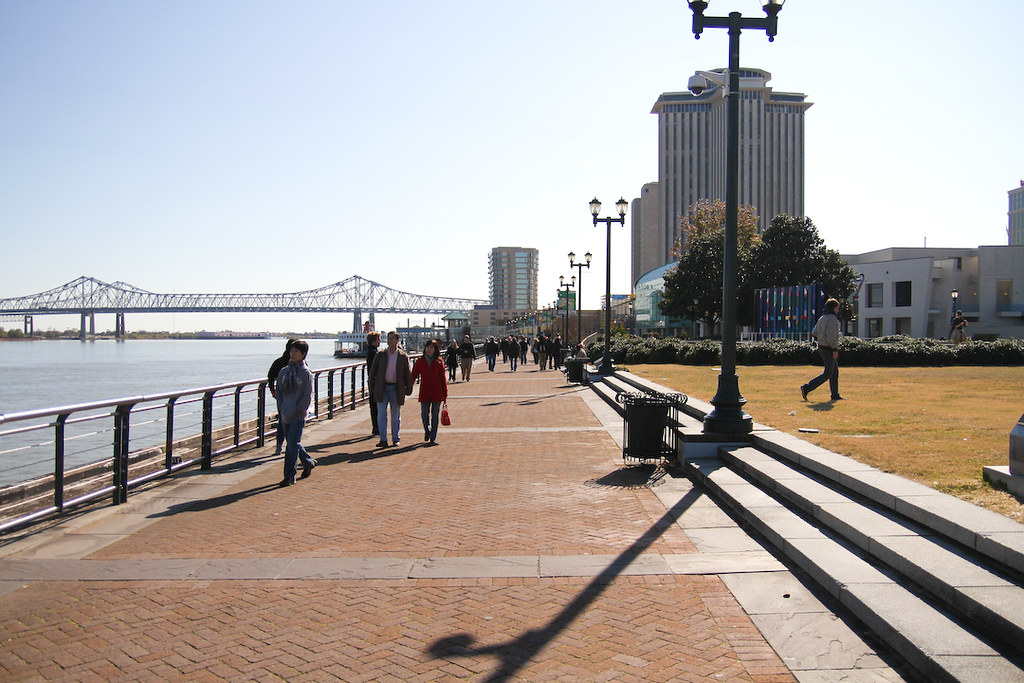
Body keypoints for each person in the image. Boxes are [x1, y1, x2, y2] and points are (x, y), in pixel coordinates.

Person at [275, 339, 318, 487]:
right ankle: (308, 462)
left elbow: (307, 395)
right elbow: (279, 391)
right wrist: (281, 406)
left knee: (292, 445)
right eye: (291, 351)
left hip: (298, 415)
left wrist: (299, 409)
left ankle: (289, 476)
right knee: (294, 443)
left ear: (303, 354)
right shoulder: (284, 372)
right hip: (285, 412)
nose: (293, 354)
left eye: (296, 352)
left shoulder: (305, 373)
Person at [369, 331, 413, 447]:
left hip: (395, 388)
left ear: (397, 341)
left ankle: (395, 438)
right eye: (388, 338)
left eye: (392, 339)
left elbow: (408, 374)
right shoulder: (381, 355)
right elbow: (372, 372)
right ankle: (383, 439)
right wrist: (372, 388)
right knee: (381, 414)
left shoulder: (403, 357)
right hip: (382, 387)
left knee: (395, 415)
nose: (389, 341)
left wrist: (408, 389)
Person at [801, 298, 843, 402]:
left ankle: (835, 394)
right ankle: (807, 388)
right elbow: (832, 336)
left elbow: (814, 332)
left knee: (834, 372)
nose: (838, 310)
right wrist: (834, 349)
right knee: (828, 373)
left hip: (821, 347)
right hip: (829, 348)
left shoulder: (822, 317)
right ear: (834, 308)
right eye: (837, 308)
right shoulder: (832, 318)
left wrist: (821, 337)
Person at [411, 338, 448, 444]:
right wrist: (408, 387)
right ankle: (427, 430)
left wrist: (445, 393)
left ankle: (433, 436)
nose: (429, 349)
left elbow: (442, 378)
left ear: (435, 349)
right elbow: (414, 375)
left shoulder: (439, 361)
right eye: (427, 347)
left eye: (431, 347)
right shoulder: (420, 361)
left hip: (437, 391)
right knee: (424, 414)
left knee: (435, 415)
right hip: (425, 391)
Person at [267, 338, 298, 455]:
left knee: (282, 420)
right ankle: (292, 444)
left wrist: (273, 391)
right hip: (294, 397)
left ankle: (279, 445)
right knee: (295, 422)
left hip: (281, 396)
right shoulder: (298, 363)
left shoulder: (278, 362)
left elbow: (270, 376)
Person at [365, 331, 381, 437]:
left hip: (372, 380)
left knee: (373, 405)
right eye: (379, 339)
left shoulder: (370, 351)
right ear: (374, 341)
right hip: (376, 381)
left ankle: (375, 427)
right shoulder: (374, 352)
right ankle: (376, 427)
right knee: (376, 405)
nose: (380, 341)